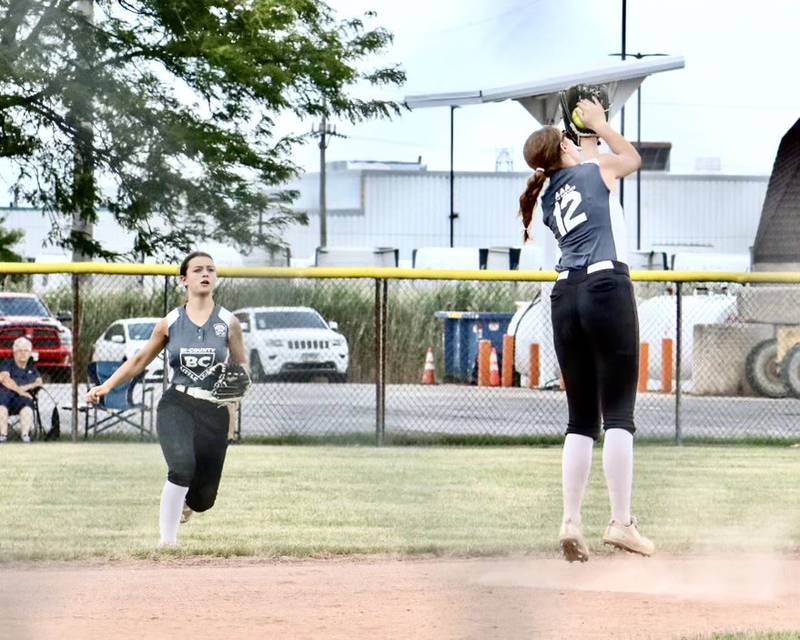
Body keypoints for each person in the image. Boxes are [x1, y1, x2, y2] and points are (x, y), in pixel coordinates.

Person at [519, 97, 654, 562]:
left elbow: (583, 162)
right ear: (565, 149)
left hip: (565, 296)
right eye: (571, 144)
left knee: (581, 420)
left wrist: (584, 137)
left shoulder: (547, 193)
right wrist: (598, 122)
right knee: (618, 413)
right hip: (605, 288)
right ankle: (621, 522)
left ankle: (571, 520)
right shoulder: (594, 172)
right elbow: (631, 160)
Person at [85, 251, 248, 548]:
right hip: (178, 404)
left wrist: (239, 382)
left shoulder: (229, 322)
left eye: (210, 269)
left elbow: (242, 365)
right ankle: (167, 542)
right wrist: (105, 387)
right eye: (198, 269)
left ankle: (189, 500)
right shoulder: (170, 322)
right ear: (184, 279)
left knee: (204, 499)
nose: (205, 274)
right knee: (182, 467)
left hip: (214, 410)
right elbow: (138, 361)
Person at [0, 337, 43, 443]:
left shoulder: (31, 367)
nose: (23, 353)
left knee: (27, 405)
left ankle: (25, 436)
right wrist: (21, 391)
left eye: (26, 351)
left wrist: (22, 390)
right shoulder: (7, 364)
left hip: (23, 399)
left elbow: (39, 382)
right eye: (20, 350)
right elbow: (4, 379)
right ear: (14, 352)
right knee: (1, 404)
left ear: (30, 353)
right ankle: (3, 436)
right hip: (5, 396)